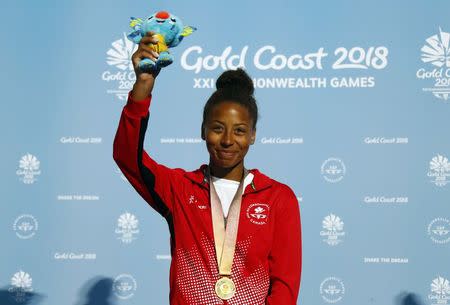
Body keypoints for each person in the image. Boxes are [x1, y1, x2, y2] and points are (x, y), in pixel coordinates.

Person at [113, 30, 302, 305]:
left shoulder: (278, 198)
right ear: (203, 131)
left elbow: (285, 287)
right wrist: (142, 87)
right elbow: (127, 157)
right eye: (217, 129)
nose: (227, 141)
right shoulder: (178, 189)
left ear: (253, 135)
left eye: (239, 131)